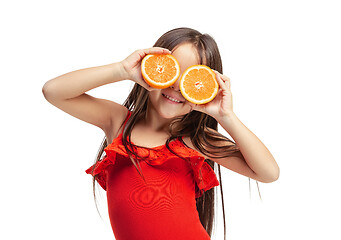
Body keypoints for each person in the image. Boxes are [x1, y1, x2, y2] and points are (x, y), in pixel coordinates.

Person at [42, 27, 279, 240]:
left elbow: (268, 173)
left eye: (191, 79)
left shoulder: (197, 140)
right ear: (151, 70)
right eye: (171, 72)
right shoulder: (118, 122)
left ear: (206, 88)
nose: (176, 86)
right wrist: (122, 69)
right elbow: (54, 91)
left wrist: (226, 116)